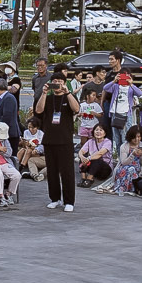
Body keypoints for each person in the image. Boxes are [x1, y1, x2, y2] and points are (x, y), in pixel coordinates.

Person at [35, 74, 80, 210]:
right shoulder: (48, 98)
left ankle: (69, 201)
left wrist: (68, 92)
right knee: (52, 172)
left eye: (59, 82)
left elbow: (76, 109)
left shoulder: (69, 96)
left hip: (65, 140)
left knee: (67, 172)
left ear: (64, 83)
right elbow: (38, 110)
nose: (57, 84)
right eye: (54, 82)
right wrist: (44, 93)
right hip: (49, 139)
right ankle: (55, 198)